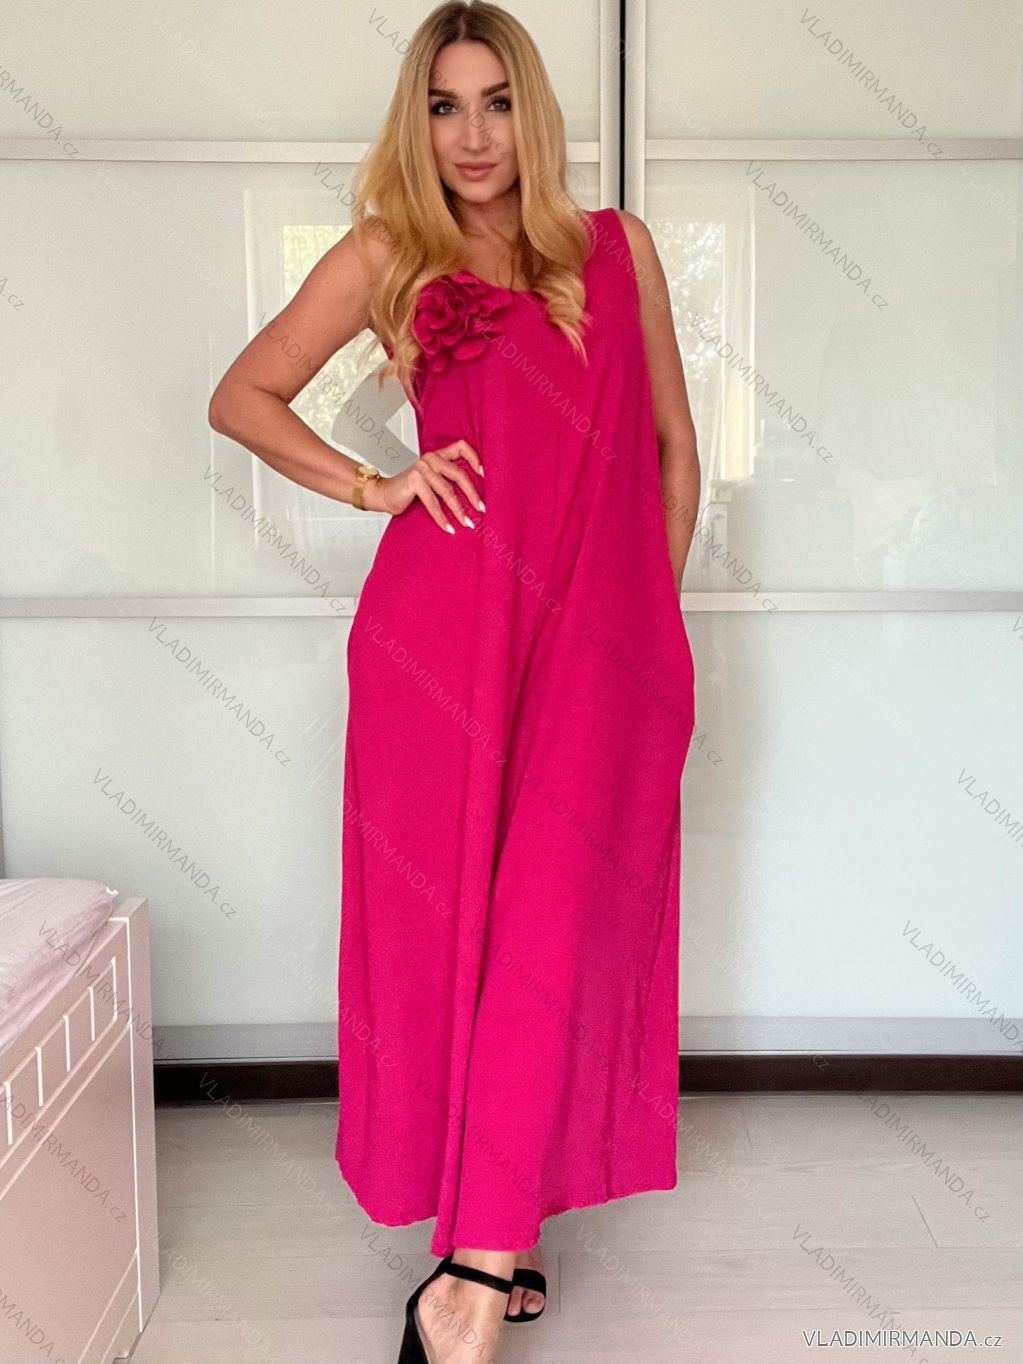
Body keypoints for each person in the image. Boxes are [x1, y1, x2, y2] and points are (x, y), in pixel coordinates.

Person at [208, 3, 700, 1359]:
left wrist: (643, 628)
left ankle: (473, 1264)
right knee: (458, 943)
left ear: (531, 113)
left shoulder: (618, 250)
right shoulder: (389, 253)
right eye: (442, 105)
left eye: (495, 102)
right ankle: (486, 1259)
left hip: (600, 658)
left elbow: (674, 452)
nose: (472, 135)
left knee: (554, 930)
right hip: (440, 652)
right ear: (414, 123)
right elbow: (243, 396)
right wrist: (378, 485)